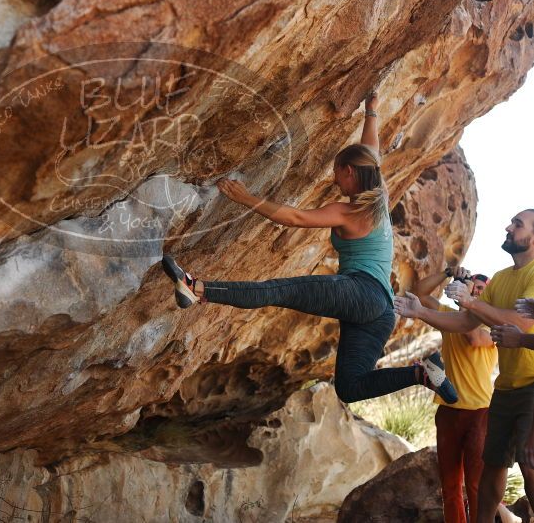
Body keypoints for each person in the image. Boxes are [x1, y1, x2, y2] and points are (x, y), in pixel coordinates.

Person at [161, 93, 457, 404]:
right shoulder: (379, 197)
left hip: (361, 292)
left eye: (338, 173)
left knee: (278, 291)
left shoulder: (349, 212)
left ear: (350, 173)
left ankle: (196, 288)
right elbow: (371, 150)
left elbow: (295, 217)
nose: (335, 180)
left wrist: (246, 198)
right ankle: (421, 374)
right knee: (350, 387)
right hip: (382, 312)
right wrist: (372, 111)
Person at [394, 209, 534, 523]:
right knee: (482, 475)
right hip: (497, 394)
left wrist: (471, 301)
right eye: (511, 221)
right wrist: (423, 308)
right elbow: (461, 319)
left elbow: (519, 325)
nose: (508, 227)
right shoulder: (501, 279)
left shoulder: (530, 277)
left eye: (518, 224)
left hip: (514, 394)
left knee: (527, 466)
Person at [410, 267, 495, 523]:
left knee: (476, 486)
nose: (475, 292)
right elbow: (418, 293)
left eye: (480, 290)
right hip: (448, 410)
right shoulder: (447, 317)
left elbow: (471, 338)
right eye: (472, 286)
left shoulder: (492, 326)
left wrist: (465, 299)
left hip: (480, 413)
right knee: (449, 486)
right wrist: (447, 272)